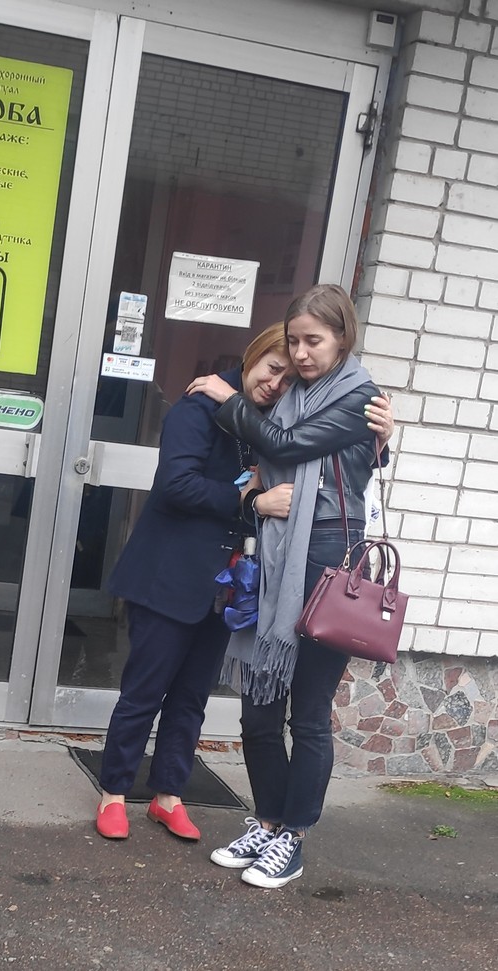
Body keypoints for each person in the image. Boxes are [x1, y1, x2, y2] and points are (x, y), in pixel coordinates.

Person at [96, 317, 392, 841]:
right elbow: (175, 486)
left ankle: (168, 795)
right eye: (272, 368)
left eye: (287, 379)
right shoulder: (199, 408)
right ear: (253, 356)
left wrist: (379, 441)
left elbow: (330, 460)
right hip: (169, 577)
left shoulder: (273, 424)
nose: (275, 384)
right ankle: (114, 793)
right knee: (144, 692)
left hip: (231, 586)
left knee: (192, 698)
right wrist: (250, 500)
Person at [186, 283, 389, 888]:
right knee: (259, 708)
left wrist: (227, 397)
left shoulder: (359, 397)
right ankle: (269, 821)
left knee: (309, 716)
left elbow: (284, 445)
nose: (300, 354)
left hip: (326, 564)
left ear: (342, 338)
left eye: (313, 341)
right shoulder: (294, 394)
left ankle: (294, 837)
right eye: (294, 341)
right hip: (275, 557)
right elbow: (270, 452)